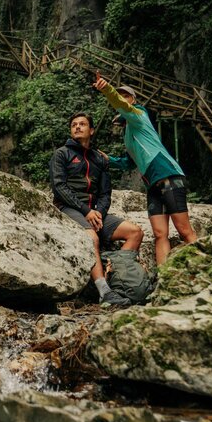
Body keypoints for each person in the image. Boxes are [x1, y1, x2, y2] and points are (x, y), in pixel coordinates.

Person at [94, 73, 198, 266]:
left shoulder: (140, 114)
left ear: (133, 100)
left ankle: (208, 268)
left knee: (185, 231)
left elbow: (123, 106)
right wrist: (109, 160)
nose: (123, 98)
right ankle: (163, 278)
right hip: (152, 185)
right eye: (120, 95)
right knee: (160, 234)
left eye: (126, 95)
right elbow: (129, 162)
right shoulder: (129, 134)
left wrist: (108, 90)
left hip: (168, 175)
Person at [48, 112, 144, 306]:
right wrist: (86, 211)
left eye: (82, 124)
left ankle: (117, 279)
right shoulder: (62, 153)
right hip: (69, 208)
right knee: (91, 238)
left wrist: (99, 211)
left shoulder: (99, 158)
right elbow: (59, 187)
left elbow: (105, 192)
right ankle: (103, 291)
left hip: (95, 212)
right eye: (74, 124)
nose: (77, 127)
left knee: (135, 232)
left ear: (91, 130)